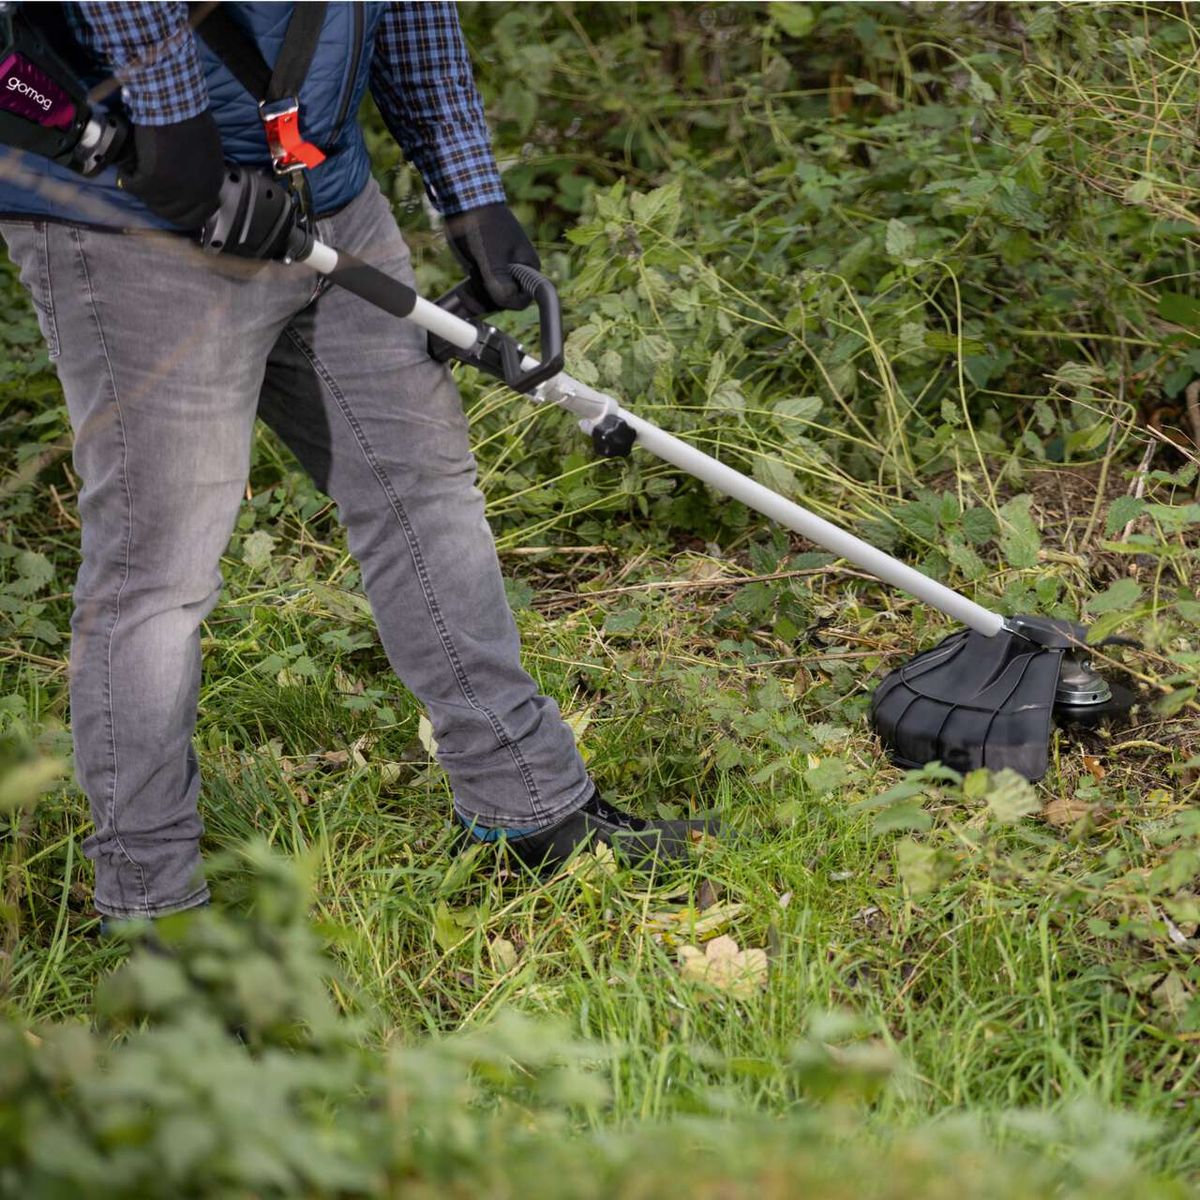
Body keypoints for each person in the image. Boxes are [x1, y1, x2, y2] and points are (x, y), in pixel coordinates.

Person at [0, 2, 715, 924]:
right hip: (131, 219)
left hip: (323, 197)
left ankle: (526, 807)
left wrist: (471, 193)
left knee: (424, 490)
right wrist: (179, 148)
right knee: (160, 575)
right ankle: (151, 908)